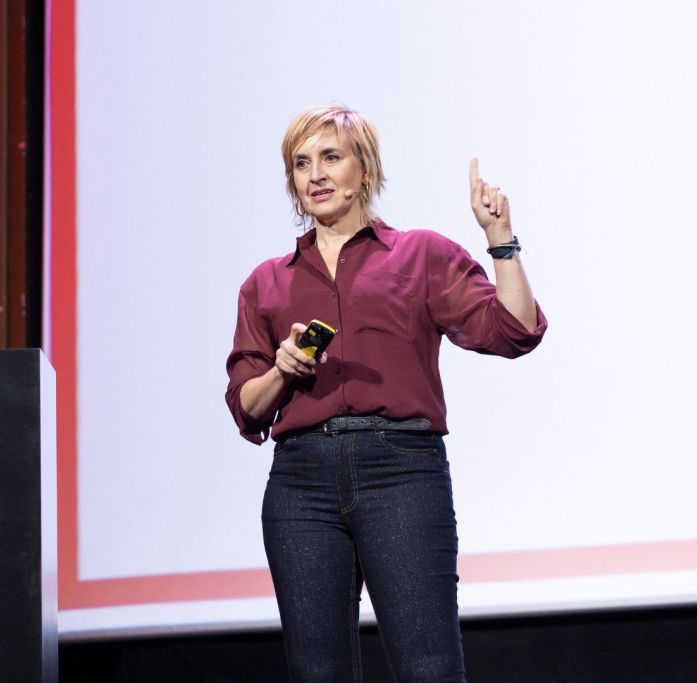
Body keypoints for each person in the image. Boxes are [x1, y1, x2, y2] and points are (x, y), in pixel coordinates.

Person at [225, 104, 547, 682]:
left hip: (400, 471)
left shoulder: (420, 255)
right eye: (301, 164)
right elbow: (246, 408)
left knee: (429, 669)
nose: (316, 174)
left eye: (331, 157)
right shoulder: (266, 282)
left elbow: (514, 331)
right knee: (317, 673)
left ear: (364, 171)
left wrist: (501, 239)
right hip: (301, 483)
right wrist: (282, 370)